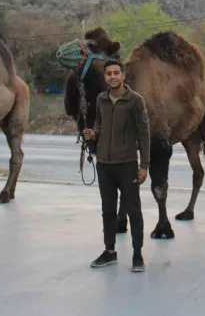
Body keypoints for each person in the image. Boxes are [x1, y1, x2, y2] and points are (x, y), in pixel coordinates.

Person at [82, 59, 150, 272]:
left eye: (116, 73)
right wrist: (93, 134)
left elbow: (144, 134)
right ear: (105, 77)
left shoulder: (135, 101)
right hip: (104, 165)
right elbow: (99, 125)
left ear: (123, 76)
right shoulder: (101, 99)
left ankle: (137, 255)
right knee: (108, 210)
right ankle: (109, 251)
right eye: (108, 73)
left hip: (127, 164)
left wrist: (144, 165)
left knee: (133, 211)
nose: (112, 76)